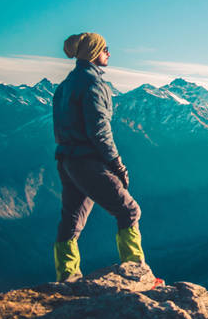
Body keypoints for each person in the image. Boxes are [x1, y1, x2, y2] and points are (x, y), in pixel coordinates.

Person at [52, 32, 157, 283]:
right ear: (93, 52)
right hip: (88, 161)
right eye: (105, 48)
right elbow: (100, 131)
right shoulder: (93, 85)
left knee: (71, 218)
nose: (109, 53)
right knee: (129, 211)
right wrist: (117, 165)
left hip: (67, 160)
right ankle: (135, 272)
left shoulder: (65, 86)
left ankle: (67, 276)